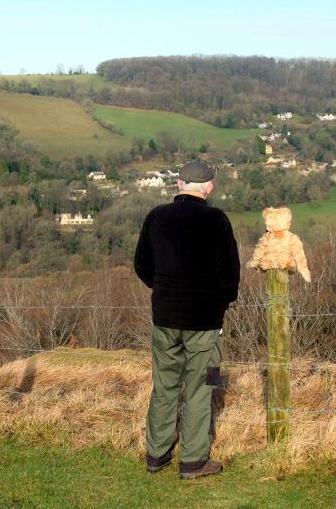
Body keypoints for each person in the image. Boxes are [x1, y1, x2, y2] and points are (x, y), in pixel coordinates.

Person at [134, 161, 240, 479]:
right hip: (205, 324)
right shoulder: (217, 220)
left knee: (164, 386)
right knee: (203, 386)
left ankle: (157, 454)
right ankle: (193, 460)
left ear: (178, 184)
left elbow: (142, 265)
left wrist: (165, 290)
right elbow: (230, 276)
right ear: (209, 187)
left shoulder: (156, 216)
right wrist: (218, 304)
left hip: (165, 318)